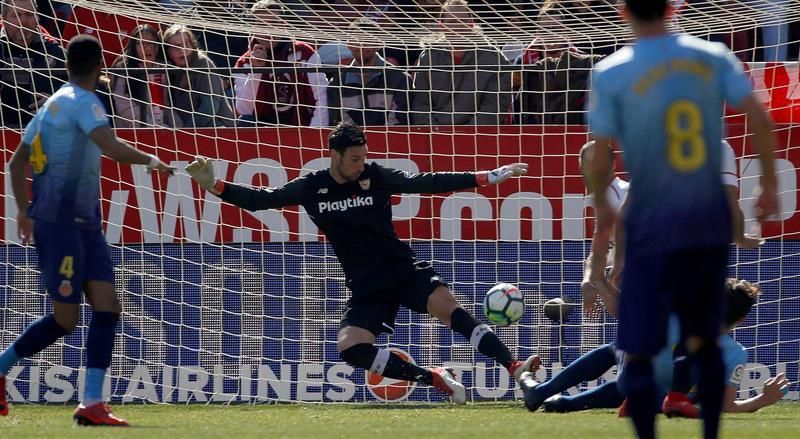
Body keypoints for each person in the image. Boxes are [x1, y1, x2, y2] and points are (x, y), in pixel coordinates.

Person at [185, 122, 539, 403]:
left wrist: (486, 177)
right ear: (334, 156)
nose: (361, 164)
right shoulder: (312, 187)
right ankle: (433, 377)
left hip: (401, 268)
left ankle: (514, 366)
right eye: (355, 158)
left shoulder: (377, 176)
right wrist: (214, 185)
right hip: (366, 283)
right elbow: (261, 200)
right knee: (351, 348)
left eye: (363, 157)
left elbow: (428, 182)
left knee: (448, 307)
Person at [586, 1, 779, 438]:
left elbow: (598, 156)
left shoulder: (612, 70)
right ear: (673, 10)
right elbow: (760, 118)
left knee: (639, 347)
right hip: (704, 221)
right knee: (705, 339)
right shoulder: (712, 56)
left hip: (652, 220)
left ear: (622, 12)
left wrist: (607, 207)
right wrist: (768, 184)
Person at [0, 35, 174, 426]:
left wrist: (23, 212)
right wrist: (151, 160)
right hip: (60, 224)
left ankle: (92, 402)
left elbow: (15, 163)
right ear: (100, 66)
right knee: (66, 320)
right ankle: (1, 366)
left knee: (108, 306)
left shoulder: (51, 103)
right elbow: (109, 146)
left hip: (84, 224)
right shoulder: (84, 101)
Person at [521, 279, 789, 416]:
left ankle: (545, 392)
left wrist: (603, 284)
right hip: (664, 401)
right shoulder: (736, 353)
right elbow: (725, 406)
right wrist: (763, 399)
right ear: (741, 319)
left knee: (617, 350)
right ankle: (565, 403)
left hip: (634, 381)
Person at [410, 0, 511, 125]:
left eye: (463, 21)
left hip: (479, 136)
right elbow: (420, 106)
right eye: (452, 22)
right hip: (436, 135)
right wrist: (435, 132)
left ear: (472, 23)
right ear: (441, 26)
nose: (458, 26)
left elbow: (494, 108)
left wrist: (468, 134)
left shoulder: (493, 58)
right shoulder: (428, 57)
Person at [233, 0, 328, 127]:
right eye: (261, 25)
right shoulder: (244, 62)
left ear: (284, 24)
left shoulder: (305, 53)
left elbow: (322, 99)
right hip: (262, 133)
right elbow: (244, 110)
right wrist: (256, 71)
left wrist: (313, 133)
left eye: (273, 23)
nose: (268, 30)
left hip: (302, 128)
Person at [327, 18, 410, 126]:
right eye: (356, 39)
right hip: (351, 142)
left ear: (378, 43)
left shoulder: (399, 78)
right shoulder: (337, 82)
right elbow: (340, 122)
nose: (361, 44)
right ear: (348, 43)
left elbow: (398, 121)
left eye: (367, 39)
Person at [0, 0, 65, 127]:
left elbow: (74, 97)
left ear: (37, 17)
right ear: (4, 20)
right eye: (16, 15)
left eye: (29, 15)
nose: (23, 22)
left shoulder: (55, 52)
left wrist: (55, 102)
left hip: (44, 131)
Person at [162, 24, 235, 128]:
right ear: (167, 51)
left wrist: (187, 131)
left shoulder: (203, 63)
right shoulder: (171, 69)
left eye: (186, 44)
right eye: (176, 46)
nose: (182, 50)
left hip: (217, 128)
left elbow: (210, 107)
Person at [110, 24, 177, 128]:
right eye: (141, 43)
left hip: (163, 128)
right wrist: (151, 126)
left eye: (152, 43)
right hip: (133, 130)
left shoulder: (166, 68)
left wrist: (178, 126)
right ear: (134, 46)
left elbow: (169, 104)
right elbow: (124, 106)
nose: (148, 47)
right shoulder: (123, 69)